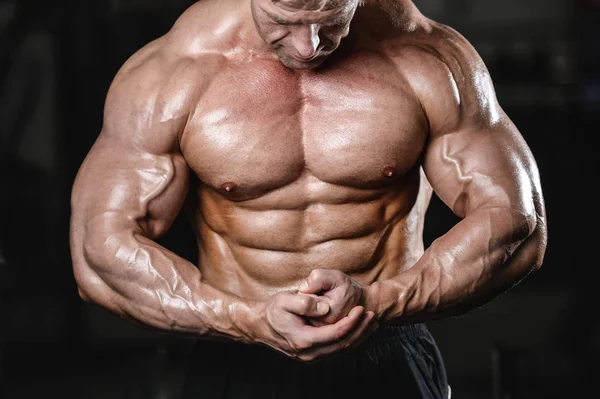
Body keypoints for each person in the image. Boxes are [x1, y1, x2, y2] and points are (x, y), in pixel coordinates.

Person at [69, 0, 548, 397]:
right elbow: (100, 252)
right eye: (285, 22)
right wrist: (246, 320)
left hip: (387, 345)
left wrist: (379, 303)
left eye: (330, 21)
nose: (310, 46)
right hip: (238, 354)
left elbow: (517, 225)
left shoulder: (428, 57)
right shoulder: (175, 72)